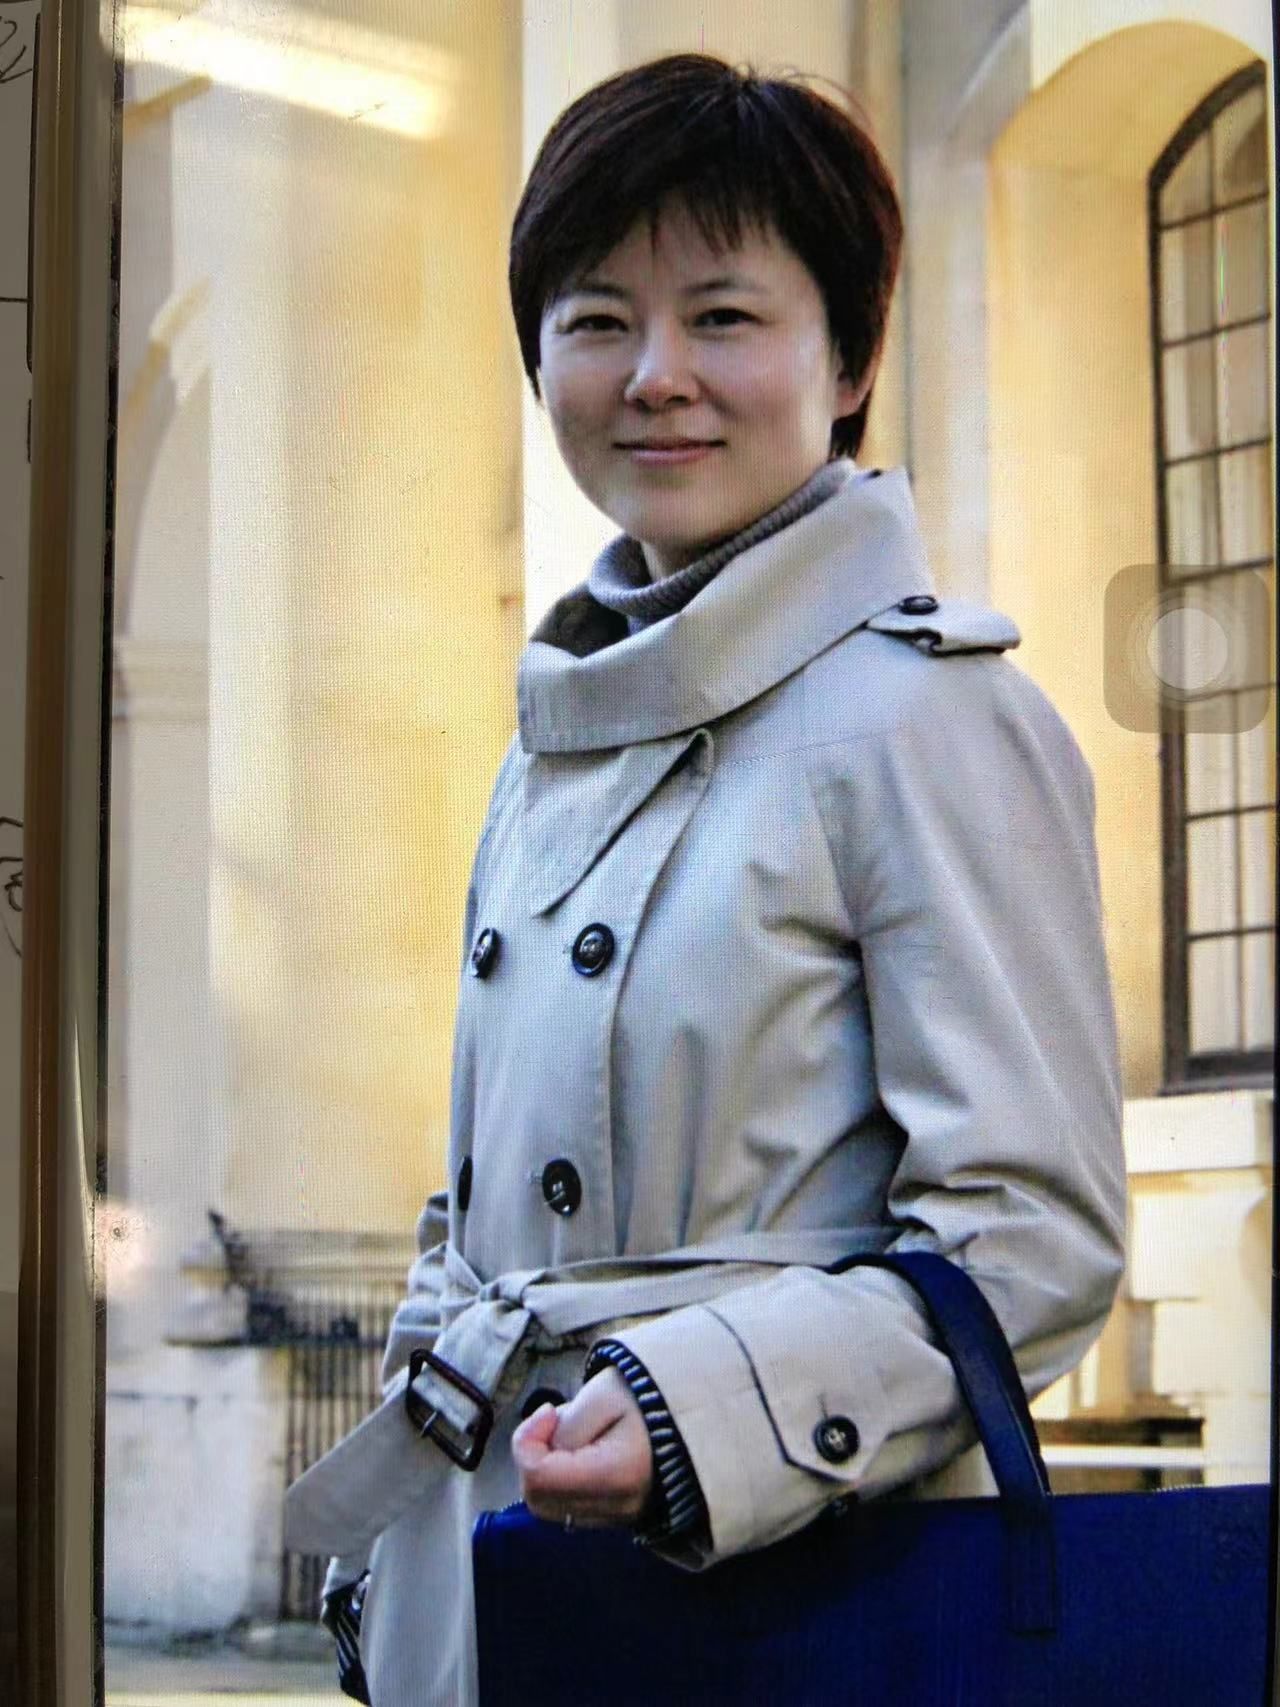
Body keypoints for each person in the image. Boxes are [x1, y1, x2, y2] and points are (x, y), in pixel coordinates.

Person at [283, 51, 1127, 1706]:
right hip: (501, 1572)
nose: (657, 376)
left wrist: (697, 1418)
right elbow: (487, 1207)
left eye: (724, 317)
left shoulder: (928, 717)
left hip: (794, 1594)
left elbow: (1033, 1235)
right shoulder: (557, 732)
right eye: (598, 320)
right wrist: (400, 1545)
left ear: (850, 358)